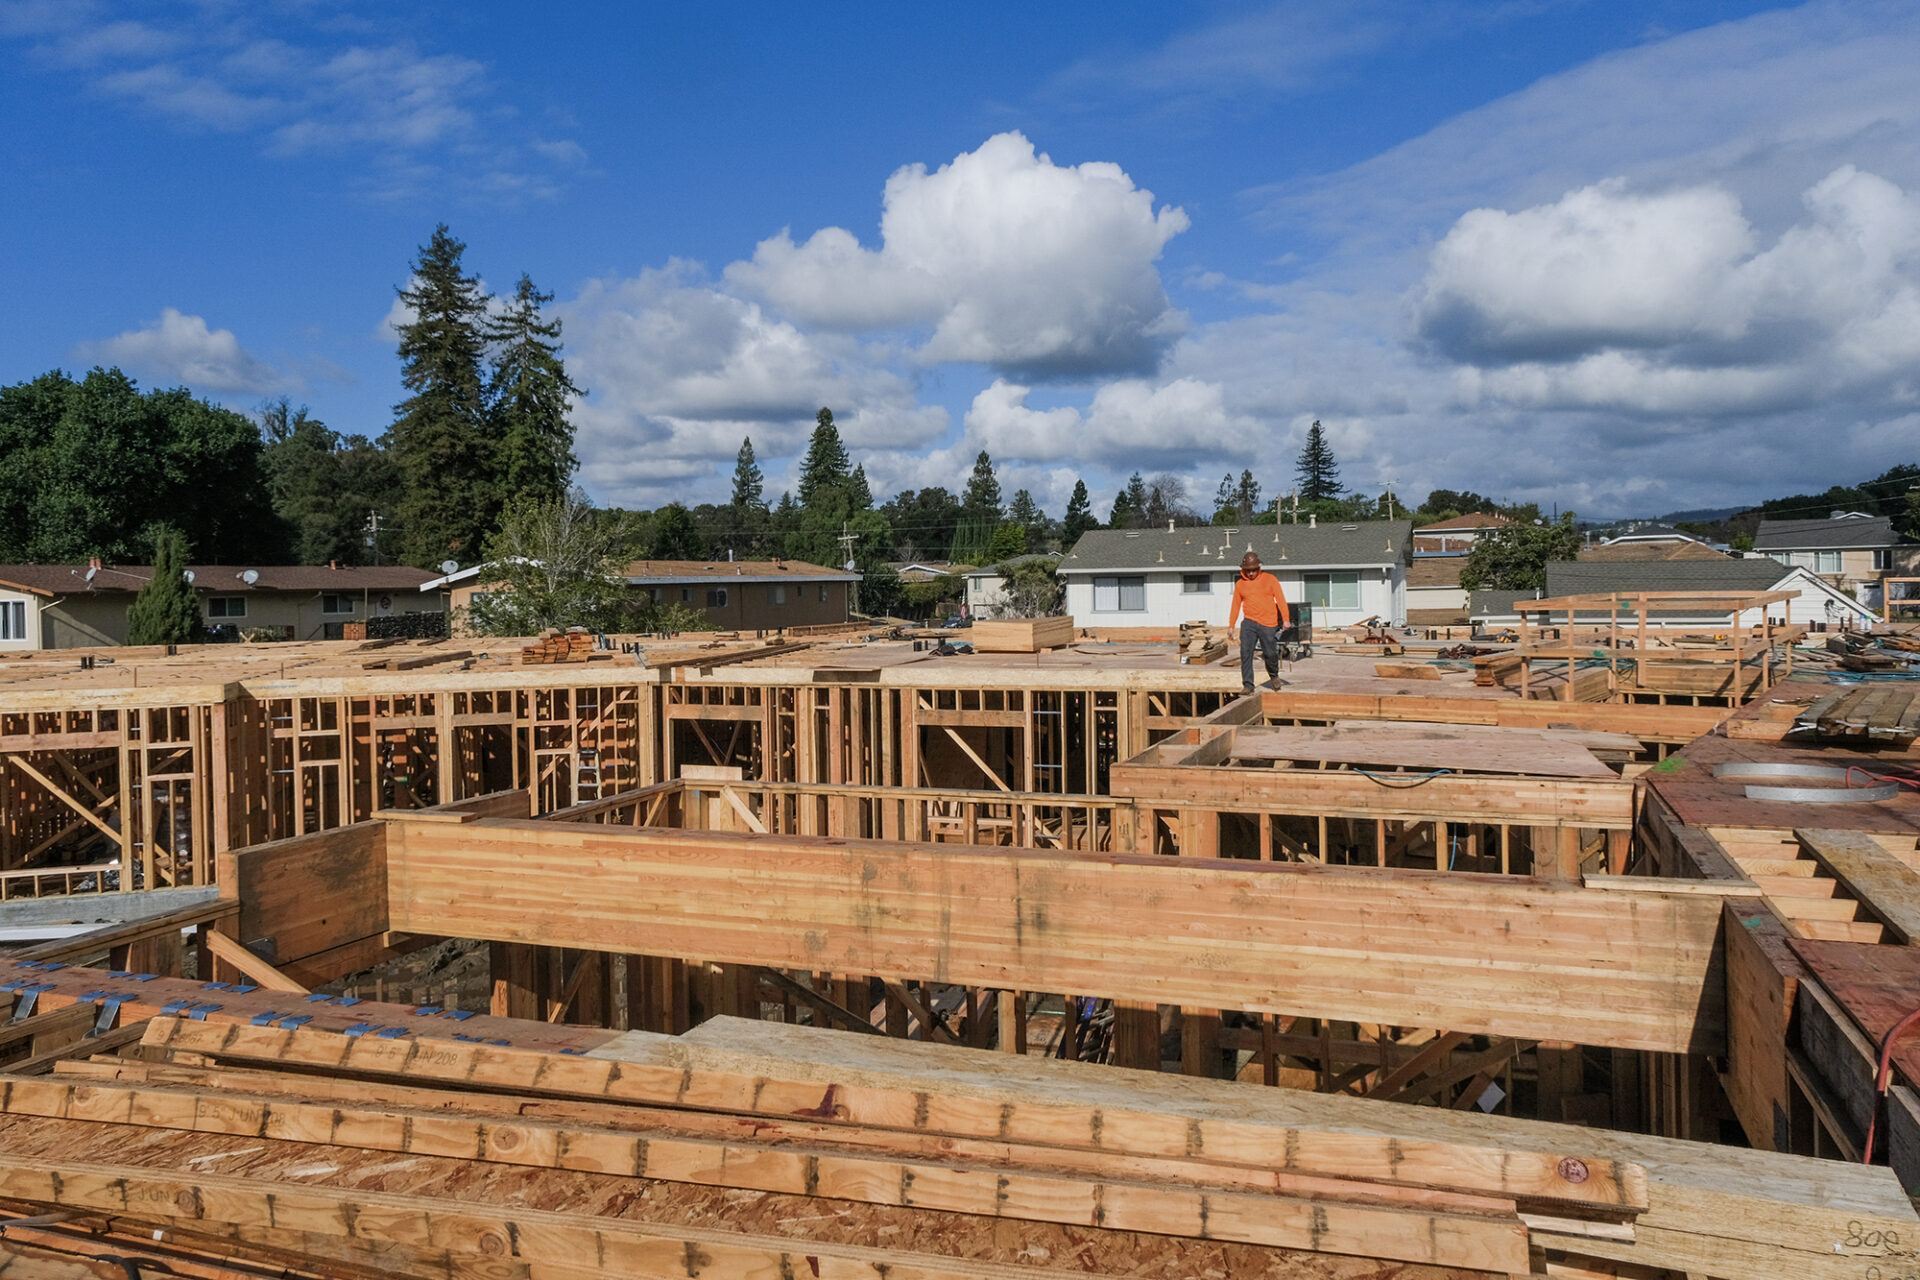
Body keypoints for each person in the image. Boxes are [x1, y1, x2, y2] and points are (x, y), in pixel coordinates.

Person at [1227, 550, 1291, 694]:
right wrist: (1231, 625)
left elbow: (1280, 599)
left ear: (1259, 568)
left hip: (1268, 623)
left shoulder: (1270, 579)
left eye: (1254, 570)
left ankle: (1274, 676)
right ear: (1244, 570)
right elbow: (1235, 605)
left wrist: (1286, 619)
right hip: (1249, 622)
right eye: (1248, 571)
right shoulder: (1240, 585)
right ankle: (1248, 685)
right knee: (1246, 653)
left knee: (1270, 654)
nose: (1251, 574)